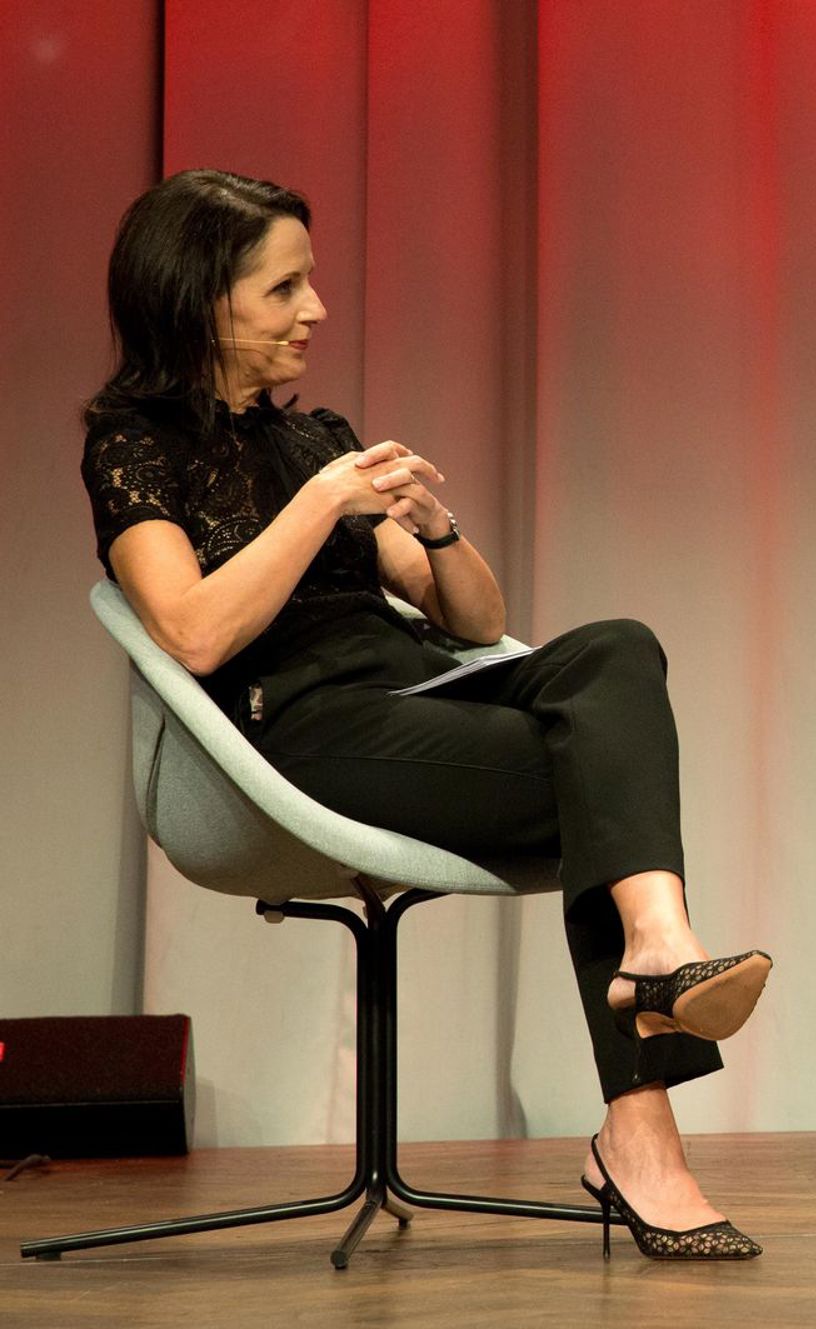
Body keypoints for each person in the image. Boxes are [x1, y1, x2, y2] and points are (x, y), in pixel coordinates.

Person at [81, 169, 770, 1262]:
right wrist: (322, 504)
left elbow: (477, 620)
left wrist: (436, 528)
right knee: (603, 782)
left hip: (424, 688)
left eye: (309, 283)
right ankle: (643, 1126)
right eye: (284, 288)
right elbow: (193, 632)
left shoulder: (319, 438)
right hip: (305, 728)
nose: (315, 310)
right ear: (200, 299)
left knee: (618, 649)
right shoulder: (134, 444)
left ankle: (655, 948)